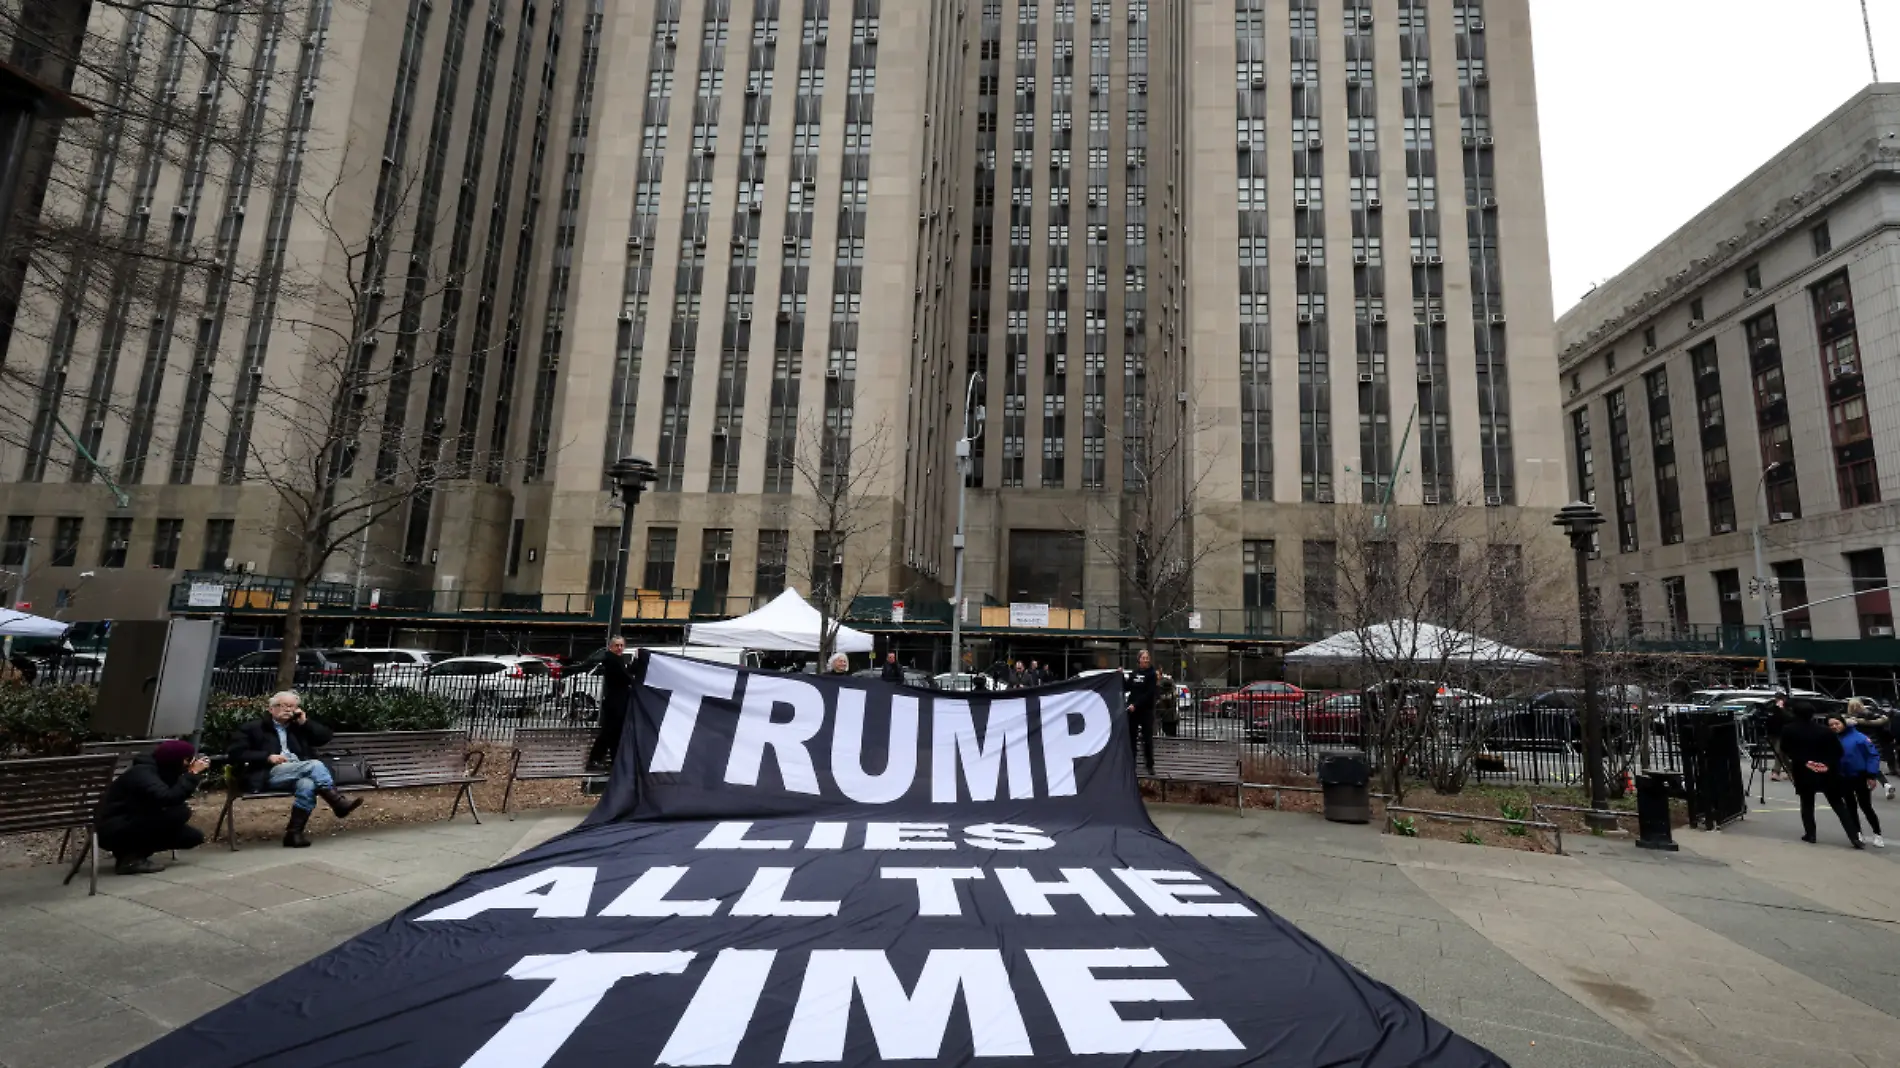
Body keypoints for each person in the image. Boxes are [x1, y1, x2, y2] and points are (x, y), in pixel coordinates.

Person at [228, 691, 363, 848]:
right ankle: (337, 803)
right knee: (315, 765)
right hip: (267, 774)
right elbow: (235, 753)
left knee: (307, 785)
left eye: (292, 706)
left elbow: (325, 737)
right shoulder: (253, 728)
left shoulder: (298, 726)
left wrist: (305, 722)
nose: (288, 710)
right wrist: (267, 757)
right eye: (283, 706)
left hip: (298, 772)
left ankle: (294, 834)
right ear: (271, 709)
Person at [98, 740, 210, 874]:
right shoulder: (143, 773)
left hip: (133, 820)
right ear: (175, 760)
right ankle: (130, 858)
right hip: (113, 827)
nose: (190, 763)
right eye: (188, 759)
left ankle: (132, 853)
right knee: (177, 814)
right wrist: (191, 775)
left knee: (192, 836)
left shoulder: (164, 771)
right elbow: (167, 798)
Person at [1780, 706, 1859, 847]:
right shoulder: (1825, 731)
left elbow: (1785, 749)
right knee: (1838, 804)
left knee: (1807, 803)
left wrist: (1803, 760)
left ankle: (1811, 834)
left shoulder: (1789, 729)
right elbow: (1838, 751)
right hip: (1827, 771)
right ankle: (1854, 837)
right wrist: (1826, 764)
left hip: (1803, 770)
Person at [1831, 713, 1884, 848]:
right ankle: (1857, 832)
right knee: (1850, 806)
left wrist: (1871, 775)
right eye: (1831, 725)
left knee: (1866, 806)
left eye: (1837, 723)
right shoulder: (1833, 739)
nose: (1834, 727)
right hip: (1843, 777)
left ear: (1843, 723)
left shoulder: (1860, 738)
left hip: (1860, 775)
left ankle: (1877, 833)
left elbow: (1873, 755)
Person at [587, 635, 637, 770]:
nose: (619, 648)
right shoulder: (612, 659)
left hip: (618, 700)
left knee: (615, 732)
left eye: (621, 645)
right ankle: (595, 759)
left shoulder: (617, 660)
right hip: (615, 701)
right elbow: (625, 677)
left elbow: (625, 674)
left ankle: (611, 758)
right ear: (611, 647)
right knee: (609, 731)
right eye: (617, 645)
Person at [1847, 697, 1896, 800]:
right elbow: (1882, 721)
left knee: (1863, 767)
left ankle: (1867, 788)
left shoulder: (1852, 719)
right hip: (1874, 743)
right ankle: (1885, 785)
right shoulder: (1871, 715)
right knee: (1871, 766)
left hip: (1859, 745)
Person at [1127, 649, 1159, 777]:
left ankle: (1150, 764)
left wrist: (1136, 704)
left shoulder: (1152, 674)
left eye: (1147, 657)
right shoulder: (1134, 673)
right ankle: (1131, 763)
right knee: (1131, 738)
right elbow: (1127, 686)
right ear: (1139, 659)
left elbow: (1149, 693)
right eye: (1143, 657)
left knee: (1147, 739)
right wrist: (1118, 675)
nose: (1145, 660)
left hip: (1145, 710)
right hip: (1133, 711)